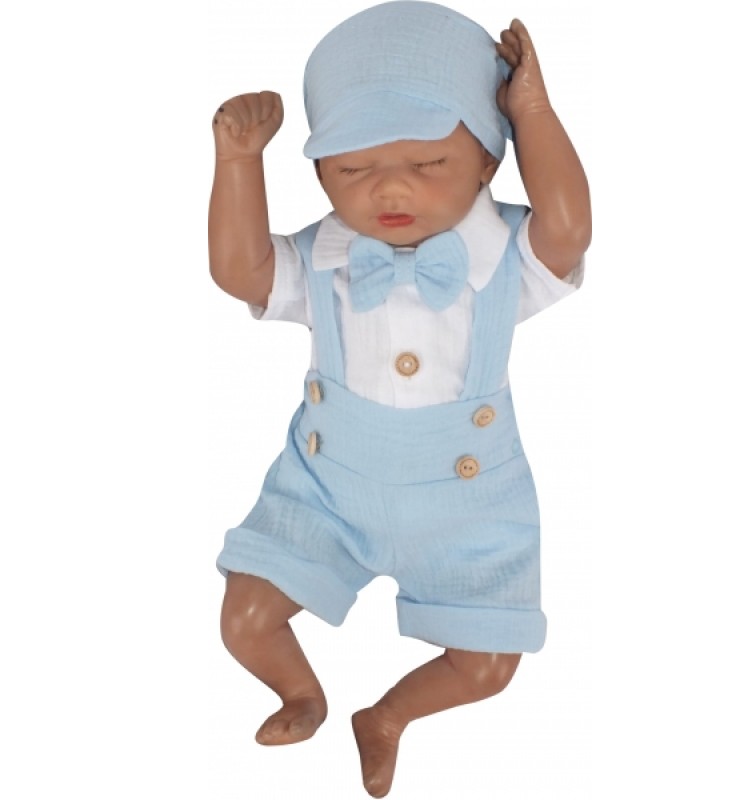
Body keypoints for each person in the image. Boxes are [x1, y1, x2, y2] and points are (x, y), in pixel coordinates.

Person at [209, 3, 590, 796]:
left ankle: (385, 717)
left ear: (488, 162)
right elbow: (240, 272)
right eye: (353, 170)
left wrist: (532, 113)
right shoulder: (321, 261)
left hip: (470, 509)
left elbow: (568, 229)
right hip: (324, 494)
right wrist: (238, 162)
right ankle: (302, 693)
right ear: (320, 175)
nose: (389, 187)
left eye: (428, 162)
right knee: (242, 619)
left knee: (489, 664)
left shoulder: (505, 260)